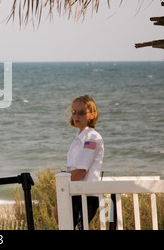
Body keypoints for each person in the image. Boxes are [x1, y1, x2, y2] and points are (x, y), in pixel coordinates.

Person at [54, 94, 104, 230]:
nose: (76, 116)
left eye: (81, 112)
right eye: (74, 112)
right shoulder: (78, 139)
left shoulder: (91, 138)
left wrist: (61, 187)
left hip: (86, 195)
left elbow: (81, 170)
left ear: (92, 115)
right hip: (75, 193)